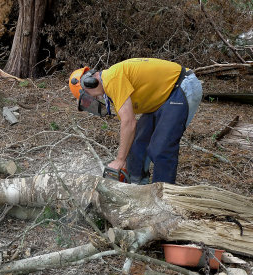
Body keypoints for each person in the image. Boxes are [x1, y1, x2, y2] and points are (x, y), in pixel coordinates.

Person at [68, 58, 202, 184]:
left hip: (181, 86)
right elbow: (130, 128)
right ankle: (136, 186)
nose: (95, 98)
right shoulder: (111, 87)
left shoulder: (111, 79)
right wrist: (124, 161)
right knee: (138, 142)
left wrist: (120, 160)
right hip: (161, 97)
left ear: (89, 83)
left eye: (89, 96)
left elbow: (129, 123)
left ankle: (162, 198)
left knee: (162, 148)